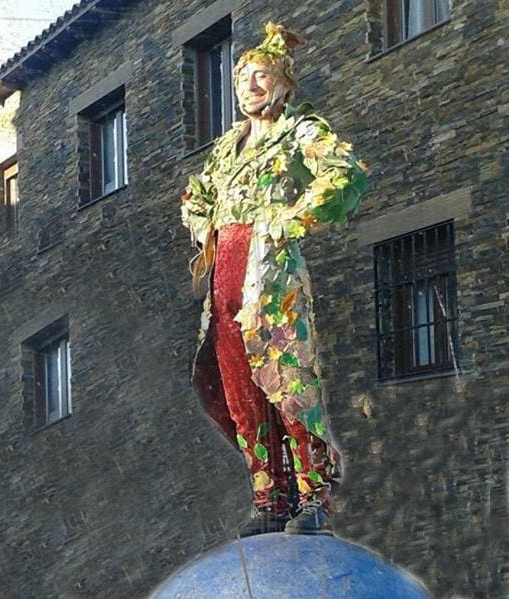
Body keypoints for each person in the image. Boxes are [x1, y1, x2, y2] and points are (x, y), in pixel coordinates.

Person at [181, 22, 367, 535]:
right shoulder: (226, 149)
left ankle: (314, 497)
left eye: (262, 77)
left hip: (271, 279)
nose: (251, 86)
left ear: (284, 84)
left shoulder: (300, 131)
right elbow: (194, 197)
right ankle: (270, 498)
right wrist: (207, 229)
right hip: (225, 284)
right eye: (243, 79)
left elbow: (345, 172)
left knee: (288, 385)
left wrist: (291, 218)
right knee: (240, 389)